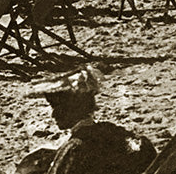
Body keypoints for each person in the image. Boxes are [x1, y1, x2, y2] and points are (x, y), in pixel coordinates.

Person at [19, 66, 156, 174]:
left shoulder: (75, 148)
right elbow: (145, 150)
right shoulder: (111, 131)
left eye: (57, 108)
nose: (53, 115)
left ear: (72, 109)